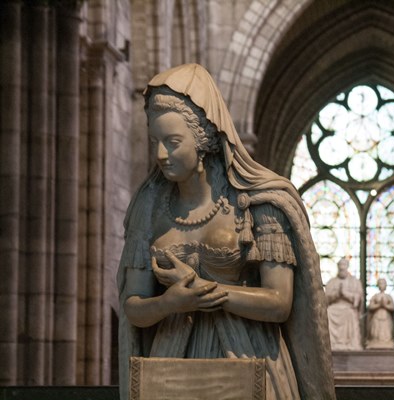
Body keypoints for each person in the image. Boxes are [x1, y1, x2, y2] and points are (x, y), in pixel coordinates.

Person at [117, 64, 335, 400]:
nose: (161, 154)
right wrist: (169, 303)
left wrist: (204, 292)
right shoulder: (148, 206)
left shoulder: (258, 204)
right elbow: (133, 305)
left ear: (202, 137)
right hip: (172, 366)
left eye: (173, 142)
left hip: (250, 359)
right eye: (155, 141)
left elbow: (279, 303)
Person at [325, 258, 364, 350]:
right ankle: (332, 343)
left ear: (347, 267)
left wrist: (346, 294)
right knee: (328, 312)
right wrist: (337, 294)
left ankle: (349, 344)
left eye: (344, 266)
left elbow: (359, 297)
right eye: (340, 266)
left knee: (350, 313)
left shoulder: (355, 282)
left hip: (348, 307)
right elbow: (326, 298)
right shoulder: (331, 282)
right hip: (334, 306)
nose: (342, 268)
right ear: (338, 267)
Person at [366, 278, 394, 349]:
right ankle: (375, 341)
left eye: (383, 283)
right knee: (376, 329)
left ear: (386, 285)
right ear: (378, 285)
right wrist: (379, 305)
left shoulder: (389, 297)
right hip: (377, 316)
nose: (382, 285)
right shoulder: (375, 296)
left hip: (386, 316)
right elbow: (370, 307)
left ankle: (387, 341)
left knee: (386, 330)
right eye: (380, 283)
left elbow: (392, 307)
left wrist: (385, 305)